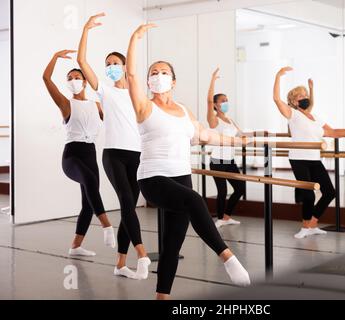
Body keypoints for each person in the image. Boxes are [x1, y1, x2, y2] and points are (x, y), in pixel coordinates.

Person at [126, 24, 251, 300]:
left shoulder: (184, 110)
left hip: (181, 176)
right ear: (148, 82)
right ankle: (228, 257)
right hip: (153, 178)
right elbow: (130, 73)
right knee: (195, 201)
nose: (158, 76)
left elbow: (205, 134)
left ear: (173, 81)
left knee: (172, 245)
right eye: (153, 73)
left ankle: (162, 296)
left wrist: (238, 142)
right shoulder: (145, 106)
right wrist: (135, 38)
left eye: (164, 72)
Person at [77, 13, 150, 280]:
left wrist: (135, 39)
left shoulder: (136, 93)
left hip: (138, 155)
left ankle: (120, 264)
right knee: (128, 203)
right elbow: (82, 61)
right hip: (114, 155)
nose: (111, 67)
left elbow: (133, 70)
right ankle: (142, 254)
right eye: (107, 64)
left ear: (124, 65)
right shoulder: (105, 91)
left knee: (129, 206)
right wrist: (86, 30)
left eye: (115, 63)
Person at [273, 67, 345, 239]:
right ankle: (305, 226)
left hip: (314, 159)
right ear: (293, 102)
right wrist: (278, 76)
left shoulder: (316, 118)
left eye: (305, 95)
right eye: (299, 96)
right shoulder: (292, 114)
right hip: (298, 159)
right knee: (308, 194)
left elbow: (334, 132)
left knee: (330, 192)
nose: (304, 98)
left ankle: (312, 223)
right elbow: (276, 99)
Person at [43, 49, 115, 257]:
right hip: (72, 156)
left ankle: (75, 246)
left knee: (87, 203)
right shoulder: (66, 104)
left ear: (85, 82)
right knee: (91, 184)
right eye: (70, 79)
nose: (73, 81)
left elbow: (114, 122)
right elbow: (46, 78)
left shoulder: (96, 105)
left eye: (77, 78)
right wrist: (55, 57)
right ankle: (107, 226)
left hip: (90, 154)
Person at [207, 68, 246, 228]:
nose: (225, 102)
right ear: (216, 105)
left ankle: (226, 216)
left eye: (226, 100)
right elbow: (208, 101)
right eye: (222, 100)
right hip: (217, 160)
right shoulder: (214, 120)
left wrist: (260, 134)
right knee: (222, 191)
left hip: (230, 161)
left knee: (240, 188)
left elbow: (241, 134)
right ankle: (220, 219)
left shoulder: (230, 120)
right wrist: (212, 81)